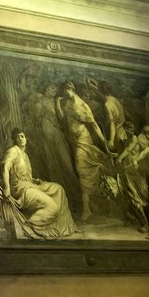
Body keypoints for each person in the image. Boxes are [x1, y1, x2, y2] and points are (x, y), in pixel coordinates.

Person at [1, 129, 78, 239]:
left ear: (26, 138)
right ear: (14, 140)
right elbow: (5, 168)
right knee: (53, 208)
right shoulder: (13, 151)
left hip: (29, 185)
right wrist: (7, 187)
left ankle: (66, 227)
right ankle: (27, 226)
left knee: (59, 189)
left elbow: (26, 177)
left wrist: (35, 181)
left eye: (22, 136)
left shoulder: (25, 156)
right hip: (20, 189)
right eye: (17, 137)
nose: (20, 139)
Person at [21, 82, 82, 211]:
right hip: (45, 139)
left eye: (55, 89)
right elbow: (34, 120)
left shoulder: (56, 102)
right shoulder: (38, 100)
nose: (54, 90)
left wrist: (57, 103)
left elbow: (61, 118)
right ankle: (60, 199)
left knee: (66, 164)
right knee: (52, 166)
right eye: (51, 87)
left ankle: (77, 196)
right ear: (46, 88)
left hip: (57, 135)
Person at [57, 81, 109, 222]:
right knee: (84, 173)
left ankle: (86, 210)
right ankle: (90, 208)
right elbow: (62, 118)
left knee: (83, 171)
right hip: (75, 142)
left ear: (72, 89)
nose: (65, 92)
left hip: (84, 141)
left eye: (67, 90)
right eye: (63, 90)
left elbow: (94, 125)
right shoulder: (67, 103)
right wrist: (57, 102)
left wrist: (104, 144)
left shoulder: (82, 106)